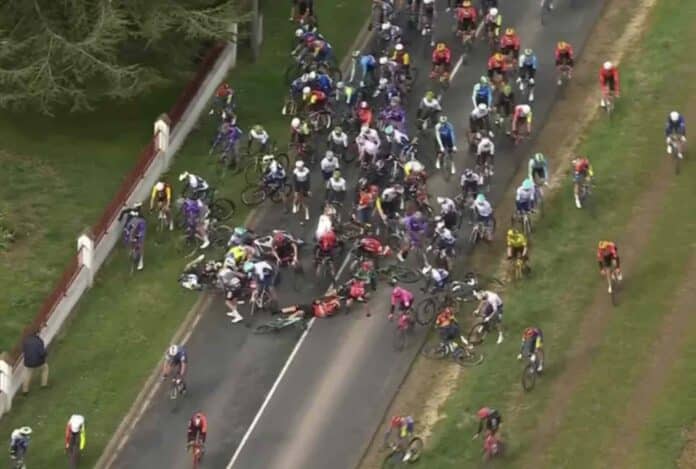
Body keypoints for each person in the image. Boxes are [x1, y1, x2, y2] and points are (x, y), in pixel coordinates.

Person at [21, 327, 49, 394]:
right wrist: (46, 353)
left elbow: (24, 351)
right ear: (37, 333)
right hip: (38, 362)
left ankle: (25, 390)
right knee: (45, 368)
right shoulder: (39, 341)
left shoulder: (25, 341)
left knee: (27, 374)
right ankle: (44, 384)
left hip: (28, 363)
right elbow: (42, 353)